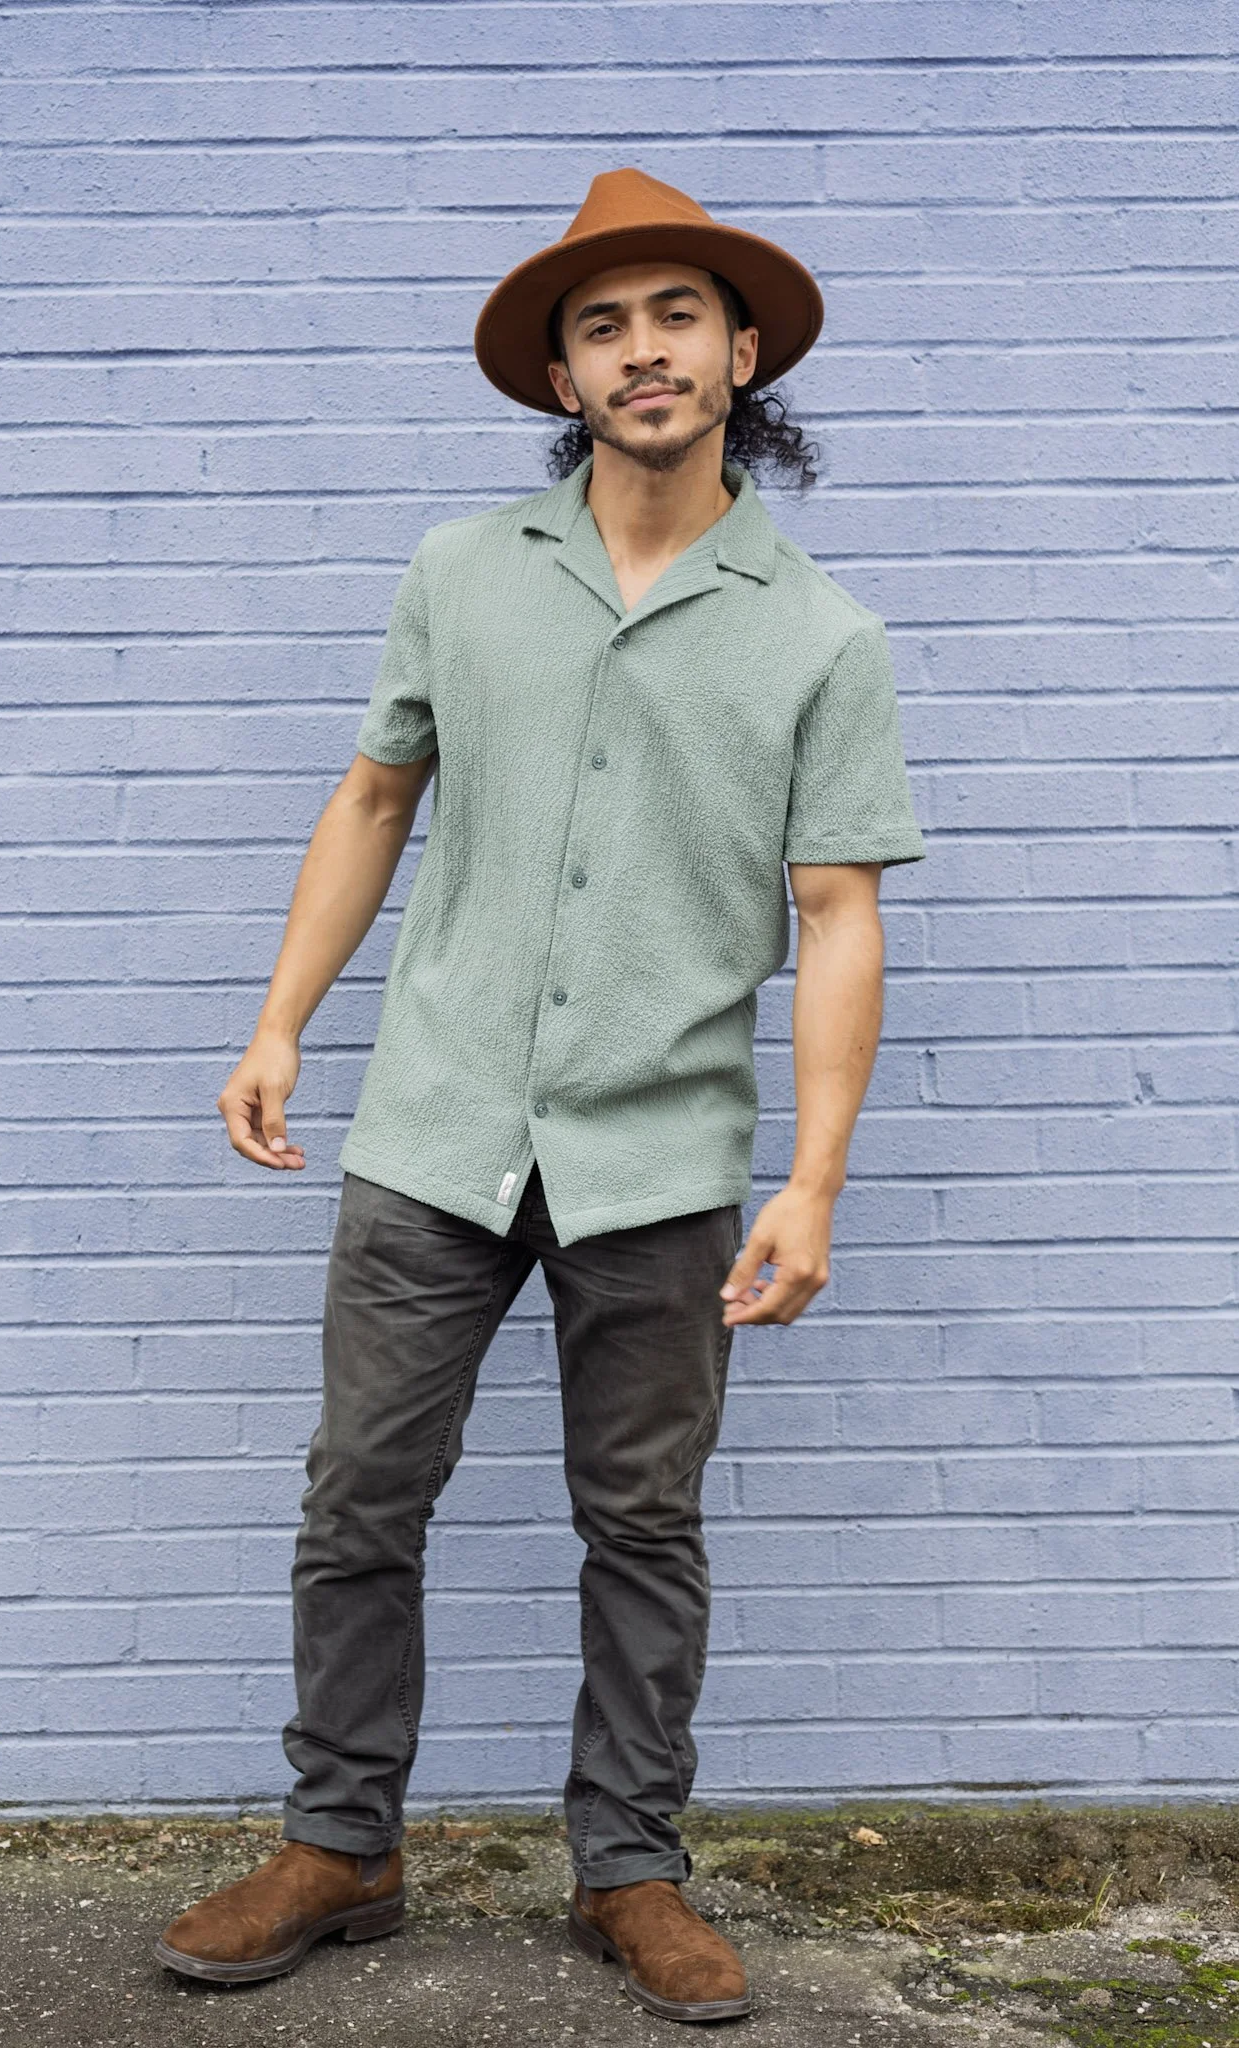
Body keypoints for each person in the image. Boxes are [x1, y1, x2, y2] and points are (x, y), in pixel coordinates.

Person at [154, 167, 925, 2024]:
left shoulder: (822, 636)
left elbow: (838, 916)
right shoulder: (461, 574)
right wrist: (280, 1023)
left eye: (677, 316)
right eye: (604, 325)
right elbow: (374, 797)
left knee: (642, 1526)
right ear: (562, 378)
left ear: (742, 353)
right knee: (360, 1495)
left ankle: (630, 1868)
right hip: (437, 1124)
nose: (643, 350)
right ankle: (342, 1846)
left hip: (659, 1153)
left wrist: (814, 1179)